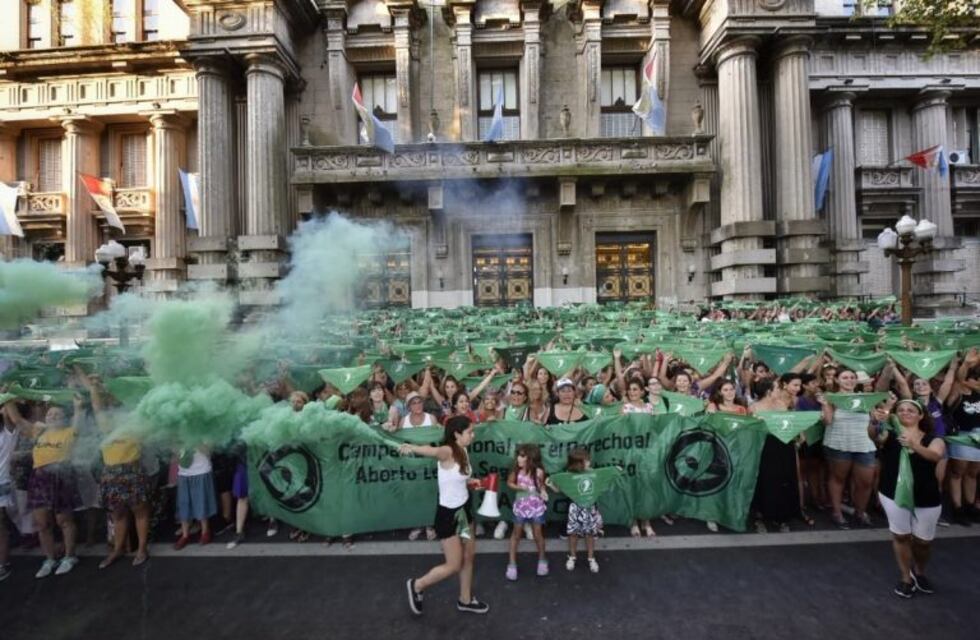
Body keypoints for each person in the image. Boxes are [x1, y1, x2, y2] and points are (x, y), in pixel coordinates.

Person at [401, 416, 490, 616]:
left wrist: (472, 482)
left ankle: (465, 600)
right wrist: (412, 447)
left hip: (464, 510)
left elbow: (457, 479)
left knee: (469, 557)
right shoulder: (448, 450)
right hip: (449, 515)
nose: (473, 435)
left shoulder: (463, 449)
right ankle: (417, 585)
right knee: (454, 564)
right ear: (457, 434)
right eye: (469, 432)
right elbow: (432, 451)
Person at [77, 371, 153, 568]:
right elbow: (96, 402)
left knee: (140, 512)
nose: (112, 402)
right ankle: (118, 549)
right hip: (111, 472)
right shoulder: (106, 424)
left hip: (132, 470)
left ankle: (142, 549)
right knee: (117, 514)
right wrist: (87, 378)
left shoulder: (137, 423)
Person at [872, 399, 945, 598]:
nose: (905, 413)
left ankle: (919, 571)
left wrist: (914, 445)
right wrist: (874, 422)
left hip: (926, 495)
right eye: (901, 410)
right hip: (892, 492)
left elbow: (935, 456)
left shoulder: (933, 439)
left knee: (923, 541)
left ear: (921, 415)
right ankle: (906, 577)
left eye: (911, 410)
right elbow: (875, 437)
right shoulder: (891, 434)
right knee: (901, 535)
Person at [4, 395, 83, 578]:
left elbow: (78, 415)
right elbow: (16, 419)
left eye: (58, 414)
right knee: (42, 523)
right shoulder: (37, 432)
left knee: (64, 521)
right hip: (39, 478)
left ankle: (70, 557)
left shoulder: (70, 431)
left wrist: (77, 406)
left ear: (65, 418)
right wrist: (7, 398)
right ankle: (49, 559)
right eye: (50, 414)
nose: (53, 416)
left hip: (62, 477)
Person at [820, 368, 878, 529]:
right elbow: (828, 422)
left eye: (853, 377)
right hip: (839, 443)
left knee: (866, 482)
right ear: (837, 380)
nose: (849, 380)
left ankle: (860, 512)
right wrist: (825, 405)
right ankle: (837, 513)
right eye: (845, 377)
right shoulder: (831, 398)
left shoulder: (866, 399)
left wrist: (877, 420)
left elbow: (873, 424)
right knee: (838, 479)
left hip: (864, 444)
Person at [505, 444, 549, 581]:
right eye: (518, 455)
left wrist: (543, 491)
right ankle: (512, 563)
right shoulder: (516, 471)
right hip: (520, 507)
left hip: (536, 507)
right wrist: (519, 487)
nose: (518, 458)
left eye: (522, 456)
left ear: (531, 458)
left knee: (538, 535)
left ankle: (542, 559)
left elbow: (541, 486)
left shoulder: (539, 472)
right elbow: (509, 483)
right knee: (516, 535)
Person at [946, 358, 980, 525]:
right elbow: (959, 379)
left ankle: (970, 506)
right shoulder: (957, 391)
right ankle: (957, 508)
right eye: (973, 378)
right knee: (958, 471)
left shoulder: (978, 393)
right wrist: (965, 364)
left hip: (978, 436)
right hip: (962, 435)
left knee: (973, 472)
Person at [173, 446, 217, 550]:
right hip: (184, 472)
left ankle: (205, 531)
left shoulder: (204, 431)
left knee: (201, 501)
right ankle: (185, 535)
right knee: (183, 503)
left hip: (201, 470)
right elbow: (174, 450)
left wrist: (196, 441)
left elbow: (209, 450)